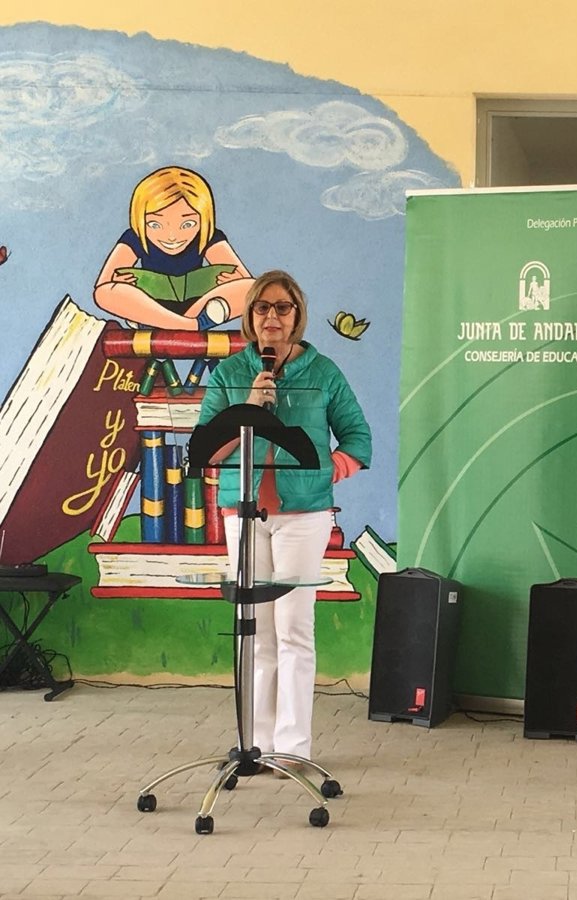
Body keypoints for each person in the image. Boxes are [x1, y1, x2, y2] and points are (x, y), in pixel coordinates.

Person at [197, 270, 372, 769]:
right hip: (244, 512)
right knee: (255, 629)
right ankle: (255, 743)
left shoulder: (324, 372)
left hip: (304, 514)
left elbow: (358, 438)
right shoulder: (231, 374)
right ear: (250, 316)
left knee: (293, 626)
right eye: (262, 307)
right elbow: (207, 447)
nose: (272, 317)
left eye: (282, 307)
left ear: (297, 315)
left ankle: (292, 749)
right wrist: (248, 407)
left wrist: (328, 471)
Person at [95, 166, 253, 330]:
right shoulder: (135, 237)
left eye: (187, 224)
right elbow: (103, 286)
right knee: (105, 292)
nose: (172, 236)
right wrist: (121, 285)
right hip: (150, 306)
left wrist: (234, 281)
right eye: (155, 224)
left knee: (252, 288)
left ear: (204, 220)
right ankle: (191, 326)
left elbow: (249, 285)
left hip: (199, 306)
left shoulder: (208, 236)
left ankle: (156, 325)